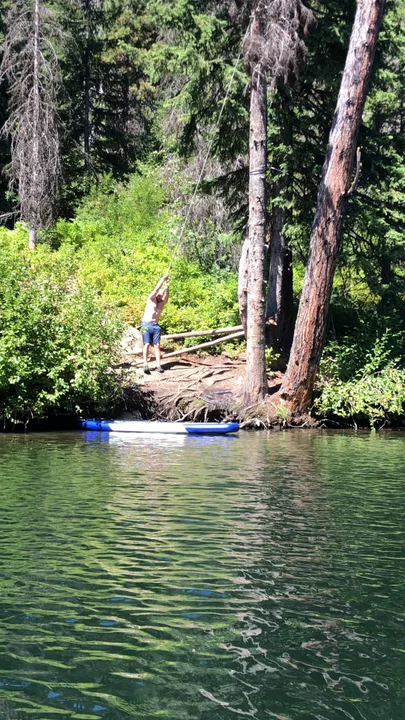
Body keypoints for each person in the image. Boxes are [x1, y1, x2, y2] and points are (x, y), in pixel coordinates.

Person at [140, 272, 169, 374]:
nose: (160, 296)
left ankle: (158, 365)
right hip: (146, 324)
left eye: (162, 294)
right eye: (159, 294)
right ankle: (145, 364)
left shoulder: (161, 303)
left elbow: (166, 297)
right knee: (147, 344)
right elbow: (157, 288)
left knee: (157, 346)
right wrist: (163, 279)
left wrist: (167, 286)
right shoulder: (151, 299)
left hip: (156, 326)